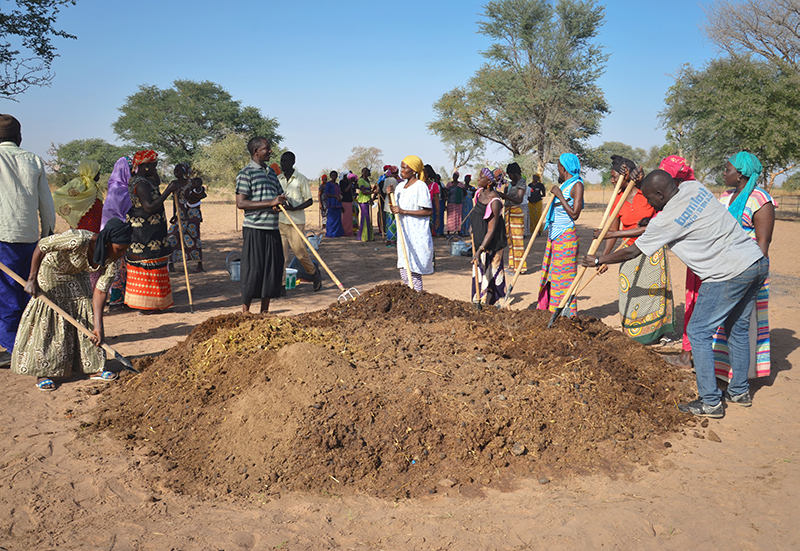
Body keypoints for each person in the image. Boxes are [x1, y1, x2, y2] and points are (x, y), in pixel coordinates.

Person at [582, 169, 768, 418]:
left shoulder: (664, 220)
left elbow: (632, 252)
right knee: (738, 329)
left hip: (727, 273)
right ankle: (739, 391)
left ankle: (710, 402)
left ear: (660, 193)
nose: (648, 203)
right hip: (754, 262)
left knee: (698, 332)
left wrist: (598, 260)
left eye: (650, 198)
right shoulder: (694, 188)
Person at [11, 219, 132, 390]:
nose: (122, 254)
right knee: (49, 317)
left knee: (85, 309)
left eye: (125, 249)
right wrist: (31, 279)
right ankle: (43, 372)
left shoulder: (114, 261)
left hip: (76, 273)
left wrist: (98, 327)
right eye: (120, 249)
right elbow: (43, 245)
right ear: (107, 243)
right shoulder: (79, 239)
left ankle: (92, 367)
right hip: (52, 270)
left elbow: (100, 291)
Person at [595, 155, 674, 344]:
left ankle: (657, 334)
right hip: (628, 250)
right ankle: (634, 332)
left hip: (652, 251)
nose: (612, 181)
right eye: (612, 178)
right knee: (629, 290)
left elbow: (661, 216)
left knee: (653, 292)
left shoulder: (645, 194)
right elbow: (612, 231)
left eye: (615, 177)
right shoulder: (617, 200)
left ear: (626, 175)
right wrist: (604, 258)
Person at [712, 152, 775, 382]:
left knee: (744, 325)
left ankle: (742, 376)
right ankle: (722, 372)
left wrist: (748, 275)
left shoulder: (760, 200)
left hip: (747, 270)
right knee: (722, 322)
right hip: (722, 268)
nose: (724, 173)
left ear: (740, 174)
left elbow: (762, 244)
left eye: (727, 169)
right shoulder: (726, 196)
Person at [0, 115, 56, 367]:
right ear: (19, 138)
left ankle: (19, 352)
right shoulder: (33, 160)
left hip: (3, 239)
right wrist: (46, 239)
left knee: (8, 298)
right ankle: (19, 345)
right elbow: (47, 204)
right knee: (23, 296)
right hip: (30, 239)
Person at [235, 137, 286, 313]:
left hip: (272, 228)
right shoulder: (245, 173)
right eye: (266, 148)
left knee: (271, 270)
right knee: (253, 270)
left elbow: (278, 197)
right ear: (256, 151)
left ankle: (264, 312)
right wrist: (269, 202)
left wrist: (280, 204)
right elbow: (241, 203)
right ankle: (246, 312)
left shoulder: (271, 173)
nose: (270, 151)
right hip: (255, 228)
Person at [658, 156, 699, 369]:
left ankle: (692, 356)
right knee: (693, 303)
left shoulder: (688, 197)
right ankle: (688, 353)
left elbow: (667, 229)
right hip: (697, 262)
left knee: (700, 307)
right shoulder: (687, 193)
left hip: (707, 263)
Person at [125, 150, 178, 313]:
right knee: (147, 265)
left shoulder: (145, 179)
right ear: (146, 166)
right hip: (143, 235)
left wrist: (153, 172)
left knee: (155, 264)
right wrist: (168, 191)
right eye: (154, 164)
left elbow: (156, 180)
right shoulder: (140, 183)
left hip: (153, 232)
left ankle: (154, 304)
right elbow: (148, 207)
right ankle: (146, 305)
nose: (156, 166)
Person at [537, 153, 584, 315]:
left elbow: (575, 214)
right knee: (552, 275)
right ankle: (552, 309)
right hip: (554, 236)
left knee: (564, 278)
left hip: (566, 237)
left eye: (558, 165)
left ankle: (566, 313)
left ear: (563, 167)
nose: (557, 168)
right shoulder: (565, 185)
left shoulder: (577, 185)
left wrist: (559, 196)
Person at [388, 156, 434, 291]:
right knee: (403, 267)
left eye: (404, 168)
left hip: (417, 233)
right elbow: (395, 209)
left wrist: (403, 211)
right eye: (401, 167)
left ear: (413, 170)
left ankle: (417, 296)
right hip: (404, 232)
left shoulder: (420, 186)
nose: (401, 171)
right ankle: (410, 296)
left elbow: (428, 211)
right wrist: (389, 196)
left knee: (414, 270)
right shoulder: (400, 187)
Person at [277, 151, 322, 291]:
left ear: (293, 163)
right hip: (280, 221)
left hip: (296, 221)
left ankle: (314, 274)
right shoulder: (278, 179)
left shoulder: (301, 179)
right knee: (281, 257)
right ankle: (282, 285)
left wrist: (293, 208)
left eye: (285, 161)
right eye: (281, 161)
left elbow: (309, 201)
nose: (282, 164)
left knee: (300, 254)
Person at [470, 167, 508, 308]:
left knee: (493, 271)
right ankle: (478, 300)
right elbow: (476, 213)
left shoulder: (495, 202)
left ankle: (495, 301)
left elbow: (491, 230)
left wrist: (479, 250)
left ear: (489, 182)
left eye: (481, 178)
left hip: (493, 243)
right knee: (479, 271)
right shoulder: (478, 193)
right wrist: (472, 227)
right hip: (479, 240)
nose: (478, 179)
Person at [102, 156, 133, 307]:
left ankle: (121, 297)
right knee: (118, 267)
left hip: (112, 231)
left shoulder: (114, 187)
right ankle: (117, 299)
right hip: (117, 234)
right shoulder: (119, 190)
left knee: (119, 266)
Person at [167, 163, 205, 273]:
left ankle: (199, 264)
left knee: (194, 237)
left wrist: (198, 213)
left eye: (178, 170)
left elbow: (198, 198)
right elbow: (175, 201)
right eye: (174, 170)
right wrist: (174, 215)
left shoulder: (191, 183)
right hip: (180, 215)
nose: (175, 172)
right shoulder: (173, 184)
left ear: (183, 172)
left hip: (192, 215)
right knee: (172, 236)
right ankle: (171, 264)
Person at [52, 159, 104, 232]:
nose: (99, 174)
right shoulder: (77, 183)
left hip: (96, 223)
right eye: (97, 171)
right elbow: (55, 196)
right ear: (91, 171)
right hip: (82, 224)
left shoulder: (95, 186)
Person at [497, 162, 528, 273]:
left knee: (517, 240)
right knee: (510, 240)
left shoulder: (521, 182)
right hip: (509, 212)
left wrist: (503, 195)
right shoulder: (512, 183)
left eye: (510, 174)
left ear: (515, 173)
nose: (509, 177)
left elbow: (519, 199)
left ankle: (520, 267)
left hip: (516, 212)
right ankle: (512, 265)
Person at [356, 167, 374, 242]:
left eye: (367, 171)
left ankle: (368, 236)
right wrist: (373, 192)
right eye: (364, 171)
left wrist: (371, 198)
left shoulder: (367, 181)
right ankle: (363, 236)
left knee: (367, 217)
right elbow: (363, 192)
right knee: (365, 216)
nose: (365, 173)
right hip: (362, 200)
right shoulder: (361, 180)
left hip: (367, 200)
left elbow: (369, 191)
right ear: (362, 173)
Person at [382, 166, 399, 246]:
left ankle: (388, 239)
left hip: (387, 202)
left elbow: (383, 190)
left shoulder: (386, 180)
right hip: (393, 202)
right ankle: (392, 240)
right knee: (393, 223)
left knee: (388, 222)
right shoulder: (394, 181)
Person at [324, 170, 343, 238]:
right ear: (331, 176)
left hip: (337, 203)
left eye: (335, 176)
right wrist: (335, 196)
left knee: (337, 219)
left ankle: (337, 233)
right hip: (331, 203)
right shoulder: (329, 184)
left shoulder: (337, 184)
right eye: (333, 176)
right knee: (331, 219)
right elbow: (327, 193)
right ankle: (330, 233)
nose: (334, 177)